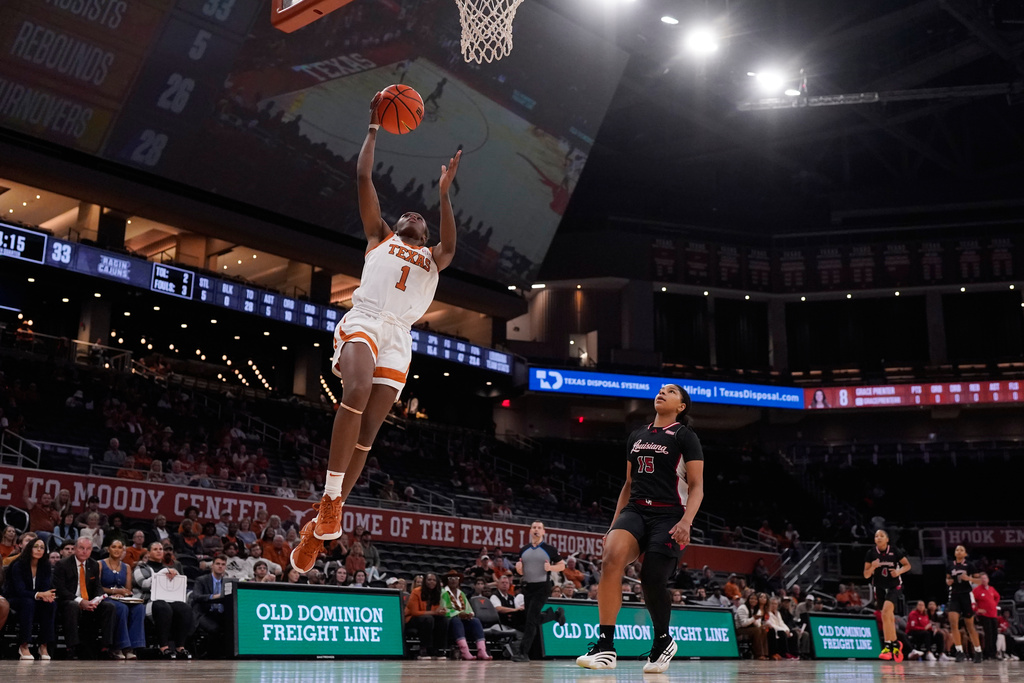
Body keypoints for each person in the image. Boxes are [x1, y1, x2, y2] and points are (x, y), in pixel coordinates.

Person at [289, 93, 462, 572]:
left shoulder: (434, 258)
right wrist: (372, 128)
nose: (413, 215)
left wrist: (444, 193)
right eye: (409, 213)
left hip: (400, 337)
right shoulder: (379, 237)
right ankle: (328, 500)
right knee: (357, 390)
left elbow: (450, 241)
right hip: (365, 319)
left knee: (368, 435)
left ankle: (319, 528)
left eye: (420, 217)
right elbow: (364, 177)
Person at [577, 384, 705, 673]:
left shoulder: (686, 436)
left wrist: (687, 522)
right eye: (660, 389)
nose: (662, 392)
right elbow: (628, 484)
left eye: (671, 391)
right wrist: (613, 526)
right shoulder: (636, 435)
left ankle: (662, 640)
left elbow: (697, 487)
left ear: (681, 406)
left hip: (670, 514)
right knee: (610, 559)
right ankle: (606, 647)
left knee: (651, 578)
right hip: (636, 508)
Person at [53, 537, 118, 659]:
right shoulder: (62, 564)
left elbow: (97, 587)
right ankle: (72, 647)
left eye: (88, 549)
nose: (85, 551)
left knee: (109, 607)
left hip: (88, 600)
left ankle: (106, 647)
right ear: (75, 549)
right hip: (69, 601)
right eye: (82, 548)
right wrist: (80, 601)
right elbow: (60, 589)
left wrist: (96, 600)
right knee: (72, 606)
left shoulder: (93, 564)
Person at [512, 521, 566, 662]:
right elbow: (522, 571)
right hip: (528, 587)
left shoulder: (550, 549)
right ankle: (554, 615)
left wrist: (550, 568)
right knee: (531, 619)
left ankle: (523, 653)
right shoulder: (523, 550)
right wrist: (519, 568)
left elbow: (562, 566)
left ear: (543, 532)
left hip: (542, 587)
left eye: (539, 528)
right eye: (534, 527)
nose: (536, 530)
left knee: (530, 620)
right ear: (530, 531)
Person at [133, 542, 194, 658]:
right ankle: (164, 647)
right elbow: (144, 584)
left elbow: (176, 587)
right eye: (155, 549)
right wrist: (161, 574)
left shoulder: (169, 569)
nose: (159, 551)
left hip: (168, 601)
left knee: (185, 608)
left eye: (161, 549)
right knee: (163, 607)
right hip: (148, 602)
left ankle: (180, 647)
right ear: (149, 553)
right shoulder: (141, 567)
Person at [864, 529, 911, 662]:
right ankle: (896, 643)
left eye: (881, 536)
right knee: (886, 616)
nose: (878, 538)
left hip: (894, 585)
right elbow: (866, 574)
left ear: (887, 539)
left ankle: (888, 646)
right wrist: (872, 567)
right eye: (876, 536)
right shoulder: (871, 553)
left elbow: (907, 565)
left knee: (885, 612)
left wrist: (898, 571)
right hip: (879, 587)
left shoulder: (895, 551)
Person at [5, 537, 56, 660]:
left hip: (34, 599)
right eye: (36, 547)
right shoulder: (18, 565)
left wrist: (47, 595)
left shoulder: (45, 566)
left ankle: (43, 644)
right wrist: (39, 595)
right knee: (28, 603)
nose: (39, 550)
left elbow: (45, 587)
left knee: (51, 604)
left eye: (42, 547)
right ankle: (24, 644)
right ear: (29, 549)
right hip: (15, 598)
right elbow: (19, 591)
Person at [100, 539, 146, 659]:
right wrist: (114, 592)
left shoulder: (126, 567)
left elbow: (128, 589)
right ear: (108, 549)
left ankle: (132, 647)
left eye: (120, 547)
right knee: (121, 608)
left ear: (123, 550)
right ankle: (119, 647)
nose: (117, 550)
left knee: (139, 608)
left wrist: (123, 594)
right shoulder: (100, 564)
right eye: (114, 546)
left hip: (122, 598)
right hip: (105, 598)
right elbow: (97, 588)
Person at [441, 569, 491, 660]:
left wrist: (469, 614)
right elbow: (443, 609)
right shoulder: (443, 592)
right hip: (450, 621)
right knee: (456, 621)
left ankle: (482, 650)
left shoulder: (462, 594)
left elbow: (468, 609)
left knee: (475, 621)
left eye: (456, 578)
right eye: (450, 578)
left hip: (463, 621)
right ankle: (464, 651)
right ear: (447, 580)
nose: (453, 580)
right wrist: (459, 614)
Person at [946, 544, 983, 662]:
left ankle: (978, 651)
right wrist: (948, 581)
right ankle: (959, 651)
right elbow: (947, 579)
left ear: (965, 554)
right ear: (955, 553)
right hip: (955, 595)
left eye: (962, 550)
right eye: (957, 550)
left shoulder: (970, 565)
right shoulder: (950, 565)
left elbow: (980, 581)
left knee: (969, 626)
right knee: (953, 623)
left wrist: (969, 579)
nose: (959, 551)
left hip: (966, 596)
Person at [193, 555, 230, 656]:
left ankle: (227, 655)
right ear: (212, 566)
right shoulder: (201, 580)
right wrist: (214, 597)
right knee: (215, 629)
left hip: (221, 613)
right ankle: (211, 655)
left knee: (233, 627)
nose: (220, 566)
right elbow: (196, 597)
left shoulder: (227, 582)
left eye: (223, 564)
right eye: (218, 564)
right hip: (204, 613)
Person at [405, 572, 447, 660]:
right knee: (428, 619)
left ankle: (438, 650)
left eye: (434, 580)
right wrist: (434, 612)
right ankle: (424, 650)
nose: (432, 582)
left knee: (442, 619)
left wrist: (441, 611)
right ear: (425, 581)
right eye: (429, 580)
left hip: (429, 618)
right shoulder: (416, 592)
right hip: (411, 619)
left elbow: (436, 611)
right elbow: (414, 612)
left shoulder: (437, 593)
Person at [973, 572, 1000, 661]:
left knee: (995, 635)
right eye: (982, 578)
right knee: (988, 635)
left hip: (993, 615)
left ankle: (993, 653)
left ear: (988, 579)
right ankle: (987, 653)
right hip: (985, 615)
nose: (984, 580)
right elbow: (972, 602)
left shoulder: (991, 589)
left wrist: (994, 605)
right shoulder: (977, 590)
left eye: (985, 578)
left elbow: (997, 597)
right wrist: (977, 610)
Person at [735, 592, 768, 660]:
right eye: (751, 599)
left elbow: (757, 624)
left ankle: (764, 653)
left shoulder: (756, 609)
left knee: (763, 630)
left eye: (755, 599)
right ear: (748, 599)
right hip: (740, 629)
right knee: (756, 630)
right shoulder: (742, 608)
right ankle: (758, 654)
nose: (753, 600)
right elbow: (743, 624)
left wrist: (760, 625)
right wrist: (754, 618)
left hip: (749, 628)